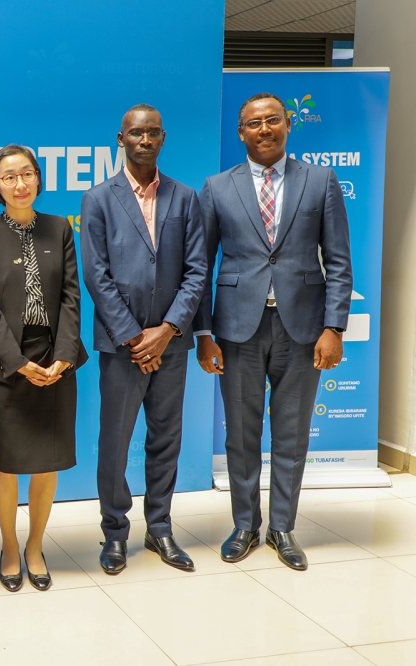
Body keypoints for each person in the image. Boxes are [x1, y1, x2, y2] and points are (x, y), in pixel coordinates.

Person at [194, 92, 352, 571]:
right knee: (241, 435)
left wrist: (334, 326)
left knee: (292, 433)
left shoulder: (320, 181)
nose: (264, 129)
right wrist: (204, 333)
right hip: (236, 329)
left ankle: (282, 526)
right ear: (240, 132)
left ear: (287, 125)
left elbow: (339, 261)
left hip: (303, 329)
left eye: (272, 120)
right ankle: (245, 525)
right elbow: (200, 266)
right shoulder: (217, 187)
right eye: (253, 123)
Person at [81, 105, 208, 575]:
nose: (145, 140)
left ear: (163, 137)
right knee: (115, 442)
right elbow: (96, 275)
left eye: (153, 132)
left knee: (166, 438)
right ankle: (115, 532)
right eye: (136, 133)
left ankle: (160, 528)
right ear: (122, 138)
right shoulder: (98, 199)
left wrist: (167, 331)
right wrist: (137, 338)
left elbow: (197, 271)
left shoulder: (185, 197)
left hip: (171, 345)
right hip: (123, 347)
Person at [0, 145, 88, 592]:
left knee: (46, 463)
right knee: (6, 464)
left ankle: (35, 545)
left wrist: (63, 356)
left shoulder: (60, 228)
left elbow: (72, 297)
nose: (19, 184)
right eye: (9, 177)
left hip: (56, 360)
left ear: (38, 178)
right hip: (7, 364)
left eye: (27, 174)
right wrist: (18, 364)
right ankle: (8, 545)